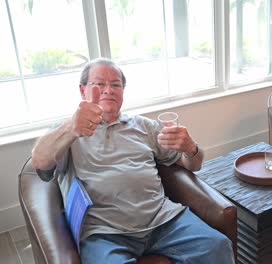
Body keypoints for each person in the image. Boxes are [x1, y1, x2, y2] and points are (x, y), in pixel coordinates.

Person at [31, 58, 235, 264]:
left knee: (218, 246)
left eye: (116, 85)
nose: (108, 90)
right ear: (83, 90)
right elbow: (39, 162)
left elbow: (194, 165)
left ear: (123, 91)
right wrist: (70, 128)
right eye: (99, 83)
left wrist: (191, 147)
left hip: (163, 220)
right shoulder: (69, 132)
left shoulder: (144, 126)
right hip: (104, 233)